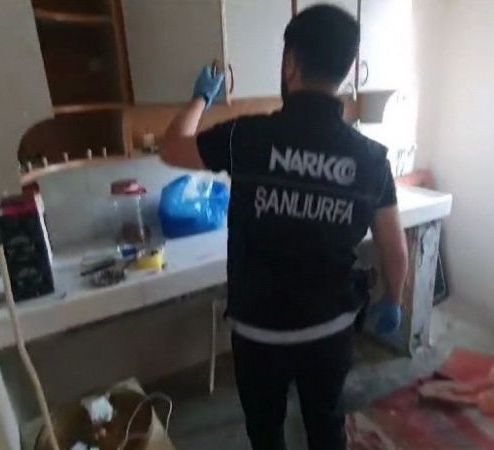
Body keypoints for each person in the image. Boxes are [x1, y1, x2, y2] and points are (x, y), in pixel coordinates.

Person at [159, 5, 408, 450]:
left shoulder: (246, 137)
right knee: (326, 427)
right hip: (329, 329)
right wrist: (394, 299)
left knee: (266, 432)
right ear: (348, 70)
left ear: (290, 63)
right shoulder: (371, 159)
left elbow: (172, 148)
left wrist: (200, 99)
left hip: (259, 334)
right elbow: (395, 248)